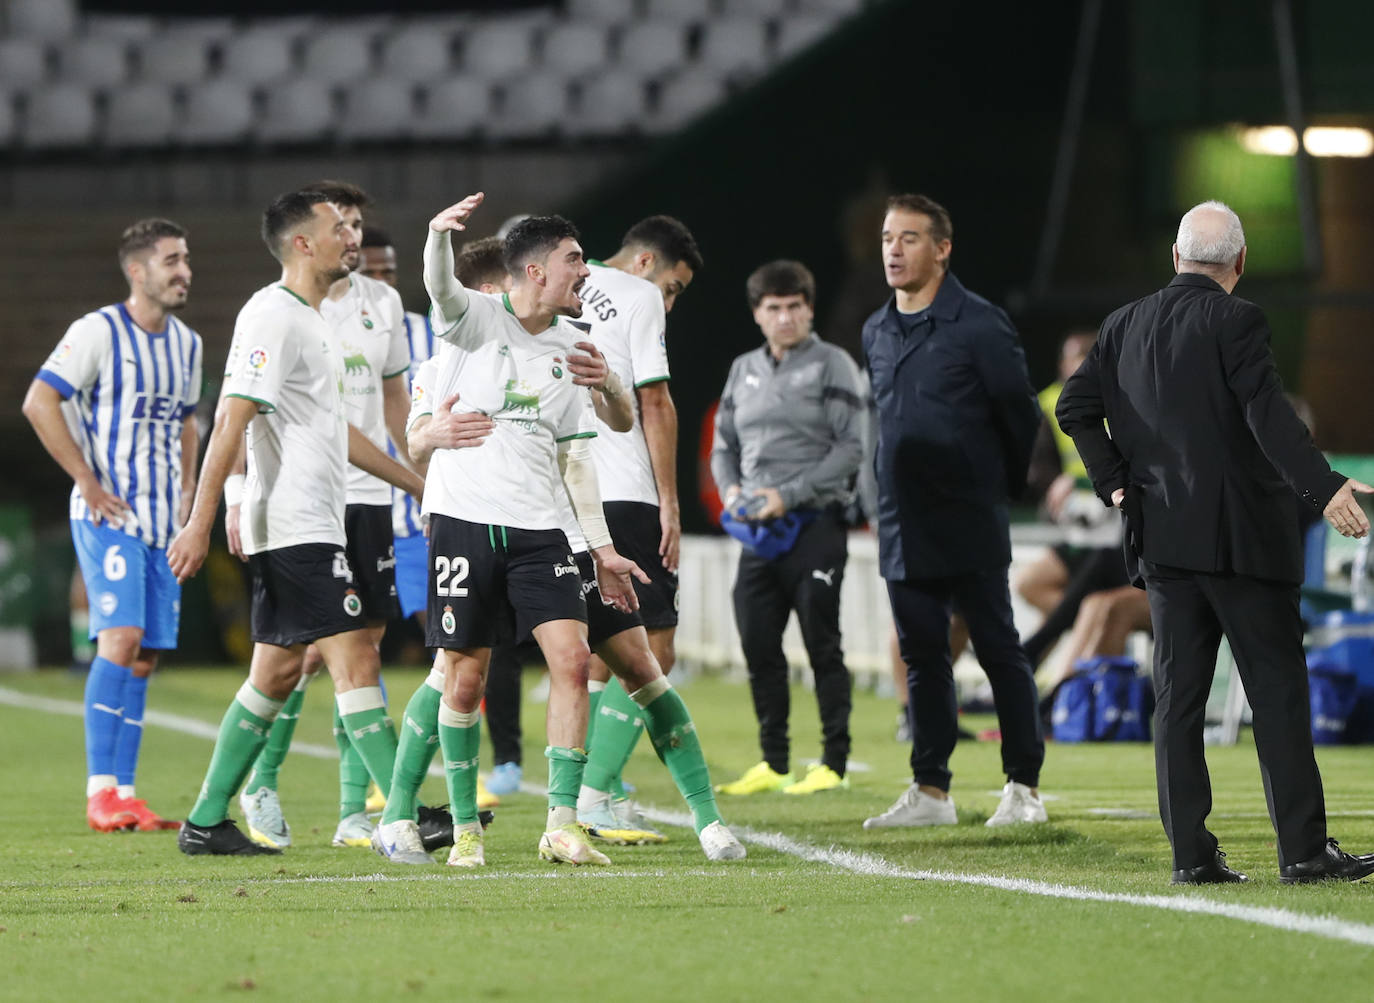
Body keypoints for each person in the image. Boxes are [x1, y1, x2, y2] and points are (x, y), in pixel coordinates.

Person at [370, 194, 742, 867]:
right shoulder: (472, 325)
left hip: (549, 530)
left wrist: (601, 538)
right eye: (575, 261)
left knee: (587, 663)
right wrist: (434, 236)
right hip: (466, 525)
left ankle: (567, 820)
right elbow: (436, 305)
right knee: (459, 679)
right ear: (532, 272)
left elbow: (587, 449)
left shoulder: (576, 346)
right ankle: (456, 830)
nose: (587, 273)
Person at [1057, 199, 1374, 884]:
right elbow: (1269, 417)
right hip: (1243, 546)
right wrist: (1325, 489)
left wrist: (1114, 482)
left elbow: (1072, 408)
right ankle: (1302, 851)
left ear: (1176, 257)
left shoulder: (1121, 325)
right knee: (1278, 695)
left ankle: (1190, 856)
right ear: (1239, 262)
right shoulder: (1239, 319)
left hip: (1163, 546)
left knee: (1177, 702)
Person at [167, 189, 427, 856]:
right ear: (303, 244)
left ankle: (204, 820)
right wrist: (200, 520)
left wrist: (417, 482)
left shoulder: (313, 321)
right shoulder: (272, 316)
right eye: (336, 228)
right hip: (290, 522)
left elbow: (334, 432)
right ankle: (404, 814)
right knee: (356, 653)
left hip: (316, 519)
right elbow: (231, 417)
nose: (351, 238)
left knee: (277, 675)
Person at [861, 194, 1048, 830]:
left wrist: (1001, 486)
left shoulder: (981, 324)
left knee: (997, 647)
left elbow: (1019, 416)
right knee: (922, 657)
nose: (893, 249)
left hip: (968, 513)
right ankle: (931, 790)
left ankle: (1023, 787)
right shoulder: (876, 329)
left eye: (909, 238)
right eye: (888, 237)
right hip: (902, 518)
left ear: (942, 249)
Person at [22, 218, 202, 833]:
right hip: (110, 515)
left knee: (145, 655)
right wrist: (87, 481)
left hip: (160, 523)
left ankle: (125, 792)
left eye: (186, 260)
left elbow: (186, 421)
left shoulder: (187, 344)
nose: (184, 271)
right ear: (137, 271)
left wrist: (187, 491)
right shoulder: (97, 331)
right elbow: (40, 401)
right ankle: (100, 791)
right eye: (172, 260)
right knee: (120, 640)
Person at [710, 259, 865, 797]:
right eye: (773, 307)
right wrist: (731, 489)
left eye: (794, 306)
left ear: (809, 309)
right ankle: (773, 762)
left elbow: (852, 448)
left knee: (823, 644)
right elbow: (723, 445)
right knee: (758, 643)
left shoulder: (833, 364)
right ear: (757, 314)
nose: (785, 317)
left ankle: (833, 762)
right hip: (760, 535)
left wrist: (788, 494)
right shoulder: (743, 369)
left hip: (815, 522)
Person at [574, 215, 705, 836]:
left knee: (603, 648)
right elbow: (655, 400)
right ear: (649, 263)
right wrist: (670, 504)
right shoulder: (639, 295)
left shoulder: (558, 283)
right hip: (623, 492)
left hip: (562, 493)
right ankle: (594, 795)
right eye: (676, 288)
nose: (671, 303)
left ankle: (588, 791)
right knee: (654, 647)